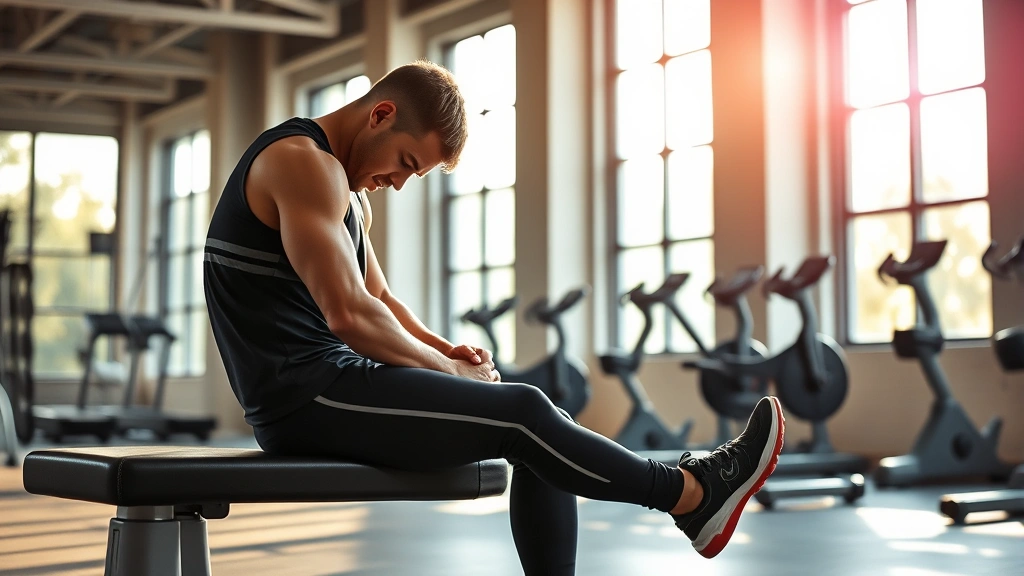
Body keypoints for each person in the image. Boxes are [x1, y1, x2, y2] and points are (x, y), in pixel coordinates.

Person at [204, 60, 785, 574]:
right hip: (305, 399)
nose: (400, 183)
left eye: (416, 174)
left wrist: (445, 351)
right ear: (380, 114)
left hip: (330, 387)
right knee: (526, 413)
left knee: (535, 423)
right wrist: (446, 373)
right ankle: (690, 495)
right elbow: (349, 314)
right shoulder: (300, 163)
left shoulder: (346, 189)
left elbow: (379, 297)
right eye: (406, 162)